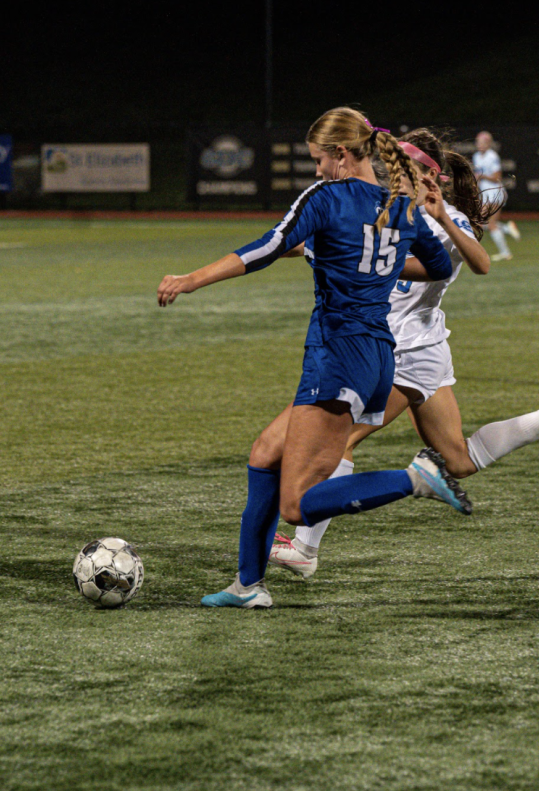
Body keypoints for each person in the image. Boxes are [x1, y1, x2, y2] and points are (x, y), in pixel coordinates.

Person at [157, 109, 468, 610]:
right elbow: (435, 265)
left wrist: (191, 279)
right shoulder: (402, 206)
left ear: (341, 155)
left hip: (337, 353)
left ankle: (415, 479)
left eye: (319, 160)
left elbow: (268, 246)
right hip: (376, 356)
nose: (318, 170)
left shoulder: (327, 197)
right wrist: (364, 262)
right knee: (264, 454)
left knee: (297, 503)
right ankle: (248, 586)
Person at [269, 129, 539, 579]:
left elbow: (480, 263)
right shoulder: (385, 208)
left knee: (340, 441)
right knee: (458, 460)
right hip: (424, 351)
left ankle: (304, 550)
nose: (391, 172)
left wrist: (444, 219)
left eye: (402, 167)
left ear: (430, 175)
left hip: (402, 350)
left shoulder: (446, 219)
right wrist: (290, 247)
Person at [472, 130, 519, 261]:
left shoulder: (492, 157)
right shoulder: (476, 156)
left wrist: (482, 176)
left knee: (483, 223)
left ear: (489, 144)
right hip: (487, 193)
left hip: (495, 192)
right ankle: (507, 231)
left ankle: (502, 252)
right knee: (486, 223)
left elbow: (497, 177)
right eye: (478, 142)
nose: (480, 145)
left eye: (483, 142)